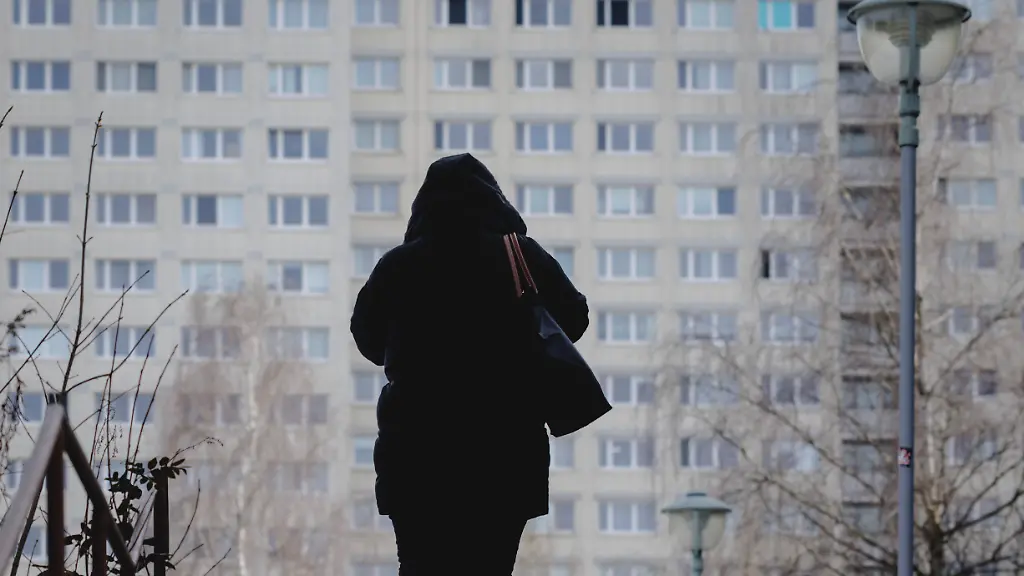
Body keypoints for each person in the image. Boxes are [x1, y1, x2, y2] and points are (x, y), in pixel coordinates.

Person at [350, 153, 590, 575]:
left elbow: (366, 336)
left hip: (417, 457)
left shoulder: (399, 266)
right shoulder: (520, 256)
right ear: (491, 200)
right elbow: (574, 318)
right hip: (503, 456)